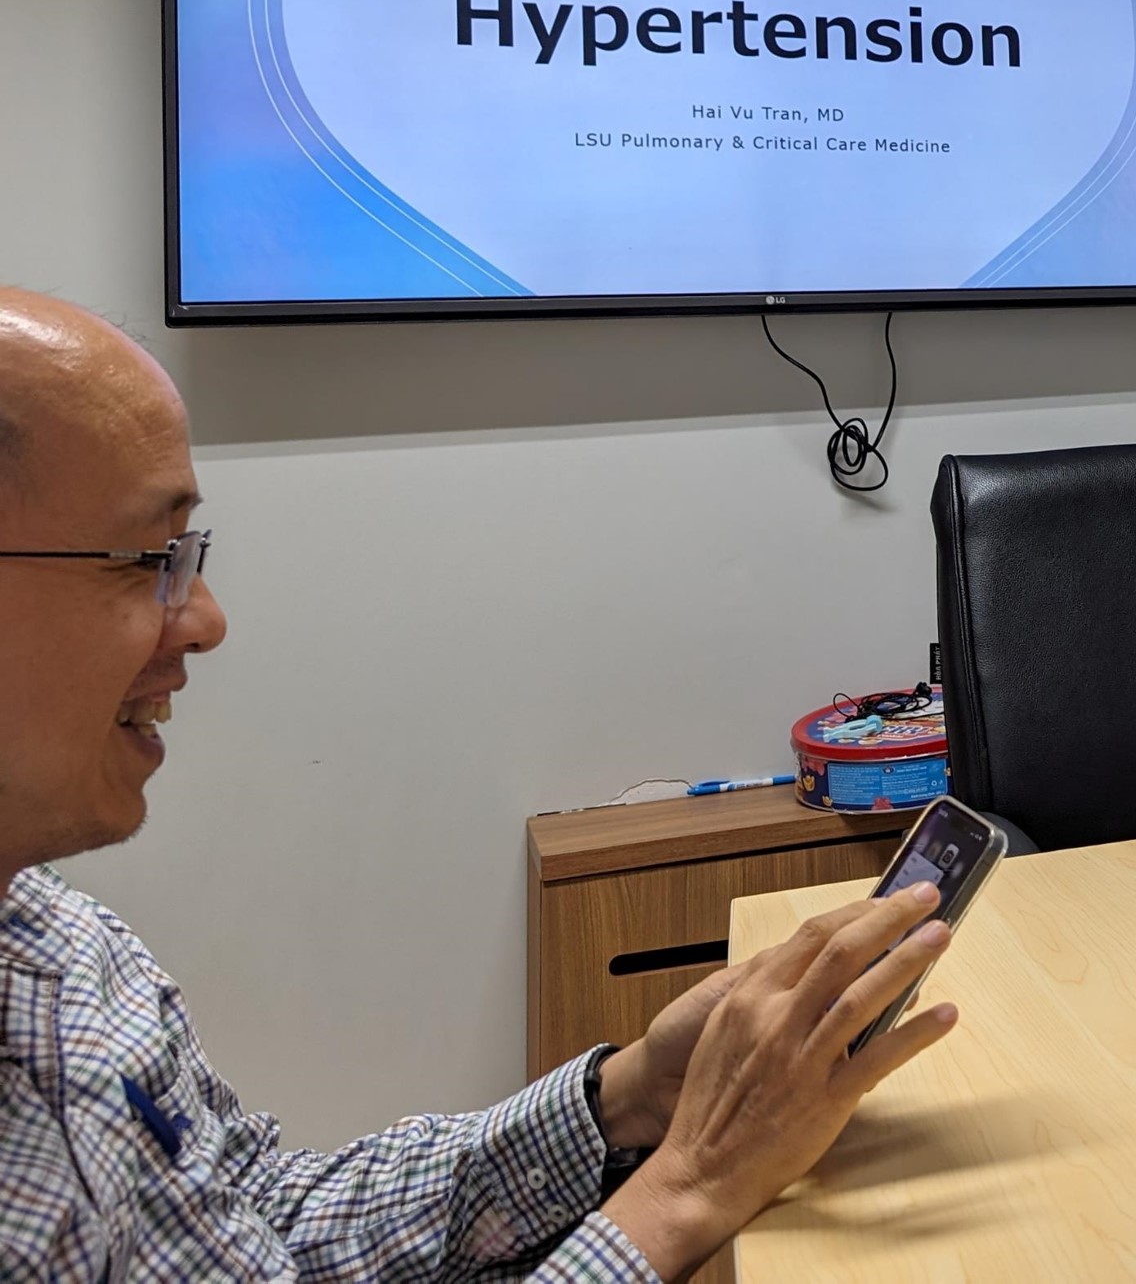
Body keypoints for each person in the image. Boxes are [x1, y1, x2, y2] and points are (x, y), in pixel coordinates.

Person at [0, 287, 958, 1281]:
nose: (203, 620)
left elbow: (266, 1225)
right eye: (149, 558)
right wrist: (690, 1189)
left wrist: (630, 1096)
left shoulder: (62, 942)